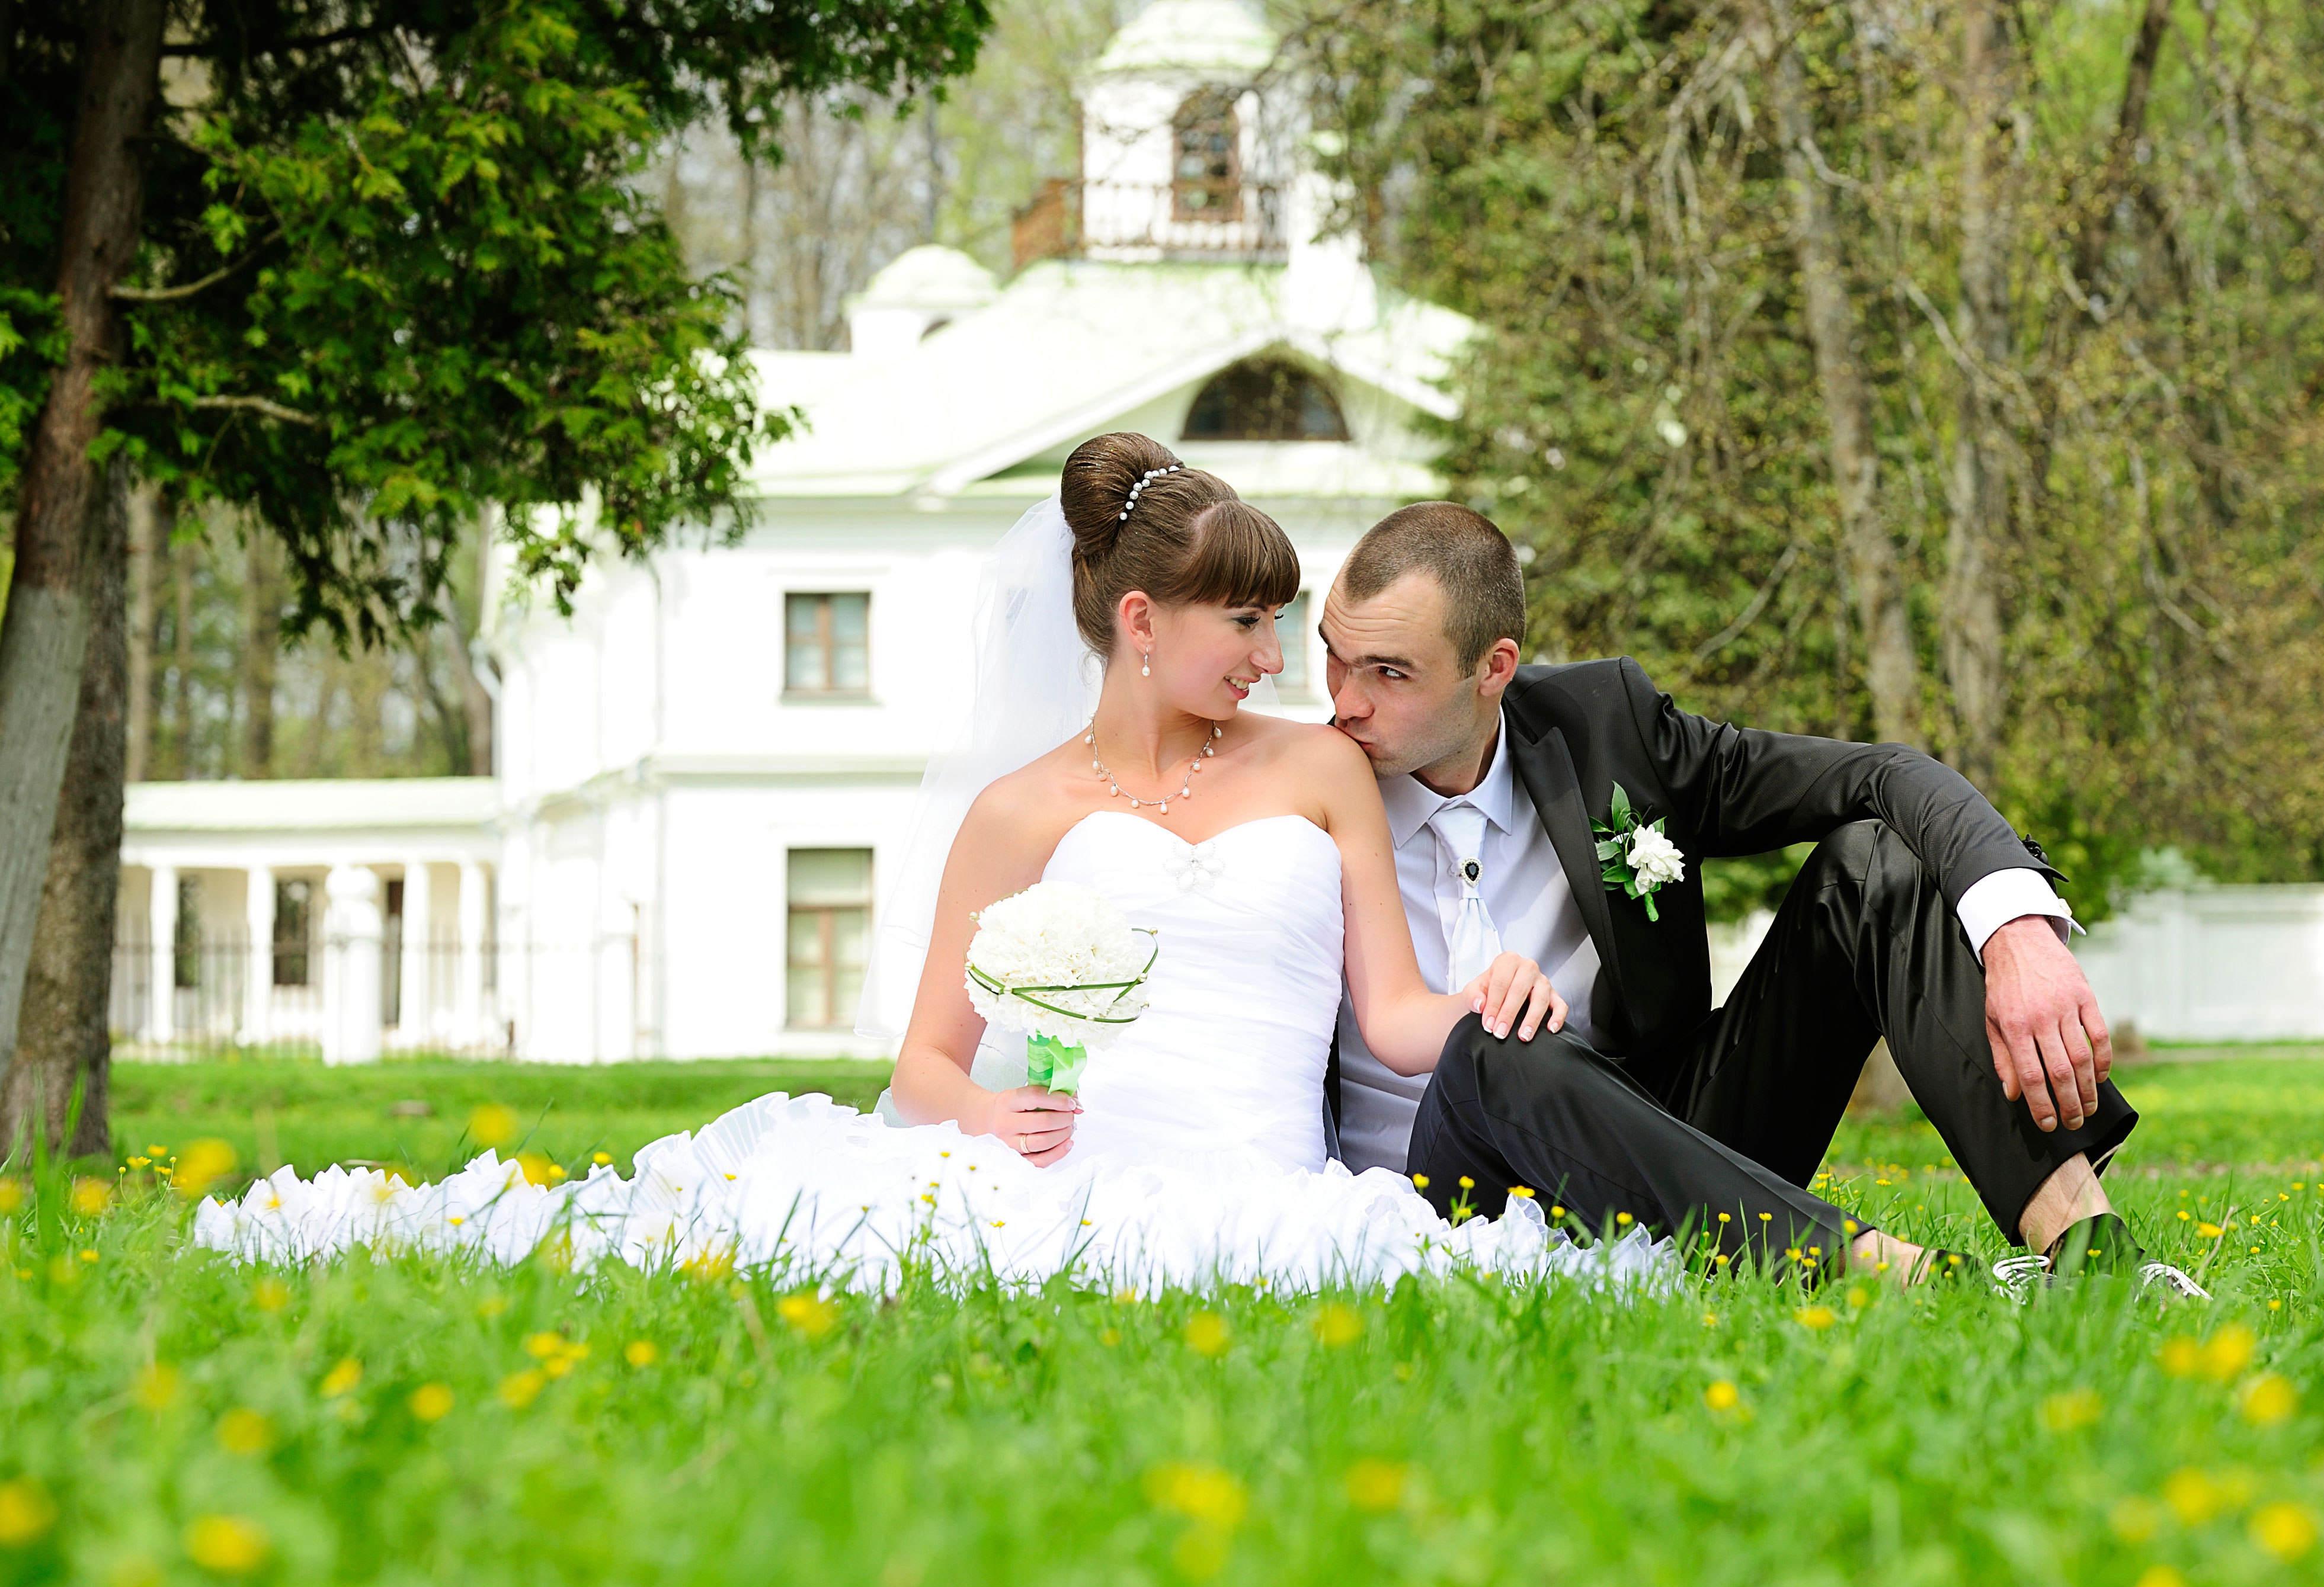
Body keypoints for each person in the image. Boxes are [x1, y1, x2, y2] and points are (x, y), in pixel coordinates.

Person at [196, 435, 1646, 1293]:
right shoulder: (1020, 815)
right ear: (1141, 621)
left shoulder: (1319, 766)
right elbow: (922, 1065)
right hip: (1074, 1169)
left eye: (1281, 623)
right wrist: (985, 1107)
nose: (1283, 660)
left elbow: (1389, 1011)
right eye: (1248, 624)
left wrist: (1487, 998)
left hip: (1262, 1173)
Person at [1320, 500, 2204, 1294]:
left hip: (1672, 1152)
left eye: (1389, 673)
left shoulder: (1607, 730)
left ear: (1494, 668)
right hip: (1441, 1192)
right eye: (1334, 657)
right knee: (1498, 1042)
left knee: (1874, 865)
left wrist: (2016, 930)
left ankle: (2096, 1260)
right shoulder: (1300, 790)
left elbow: (1880, 775)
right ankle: (1900, 1278)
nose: (1344, 702)